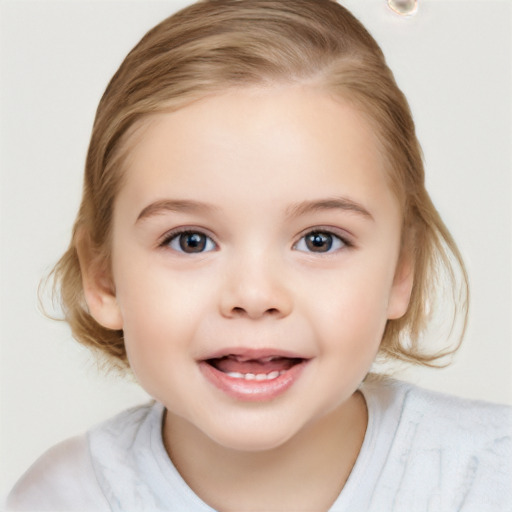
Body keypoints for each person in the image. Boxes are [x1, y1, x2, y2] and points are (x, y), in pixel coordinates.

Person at [6, 0, 511, 510]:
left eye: (319, 240)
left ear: (402, 271)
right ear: (104, 278)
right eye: (190, 240)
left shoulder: (489, 479)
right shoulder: (62, 497)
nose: (254, 295)